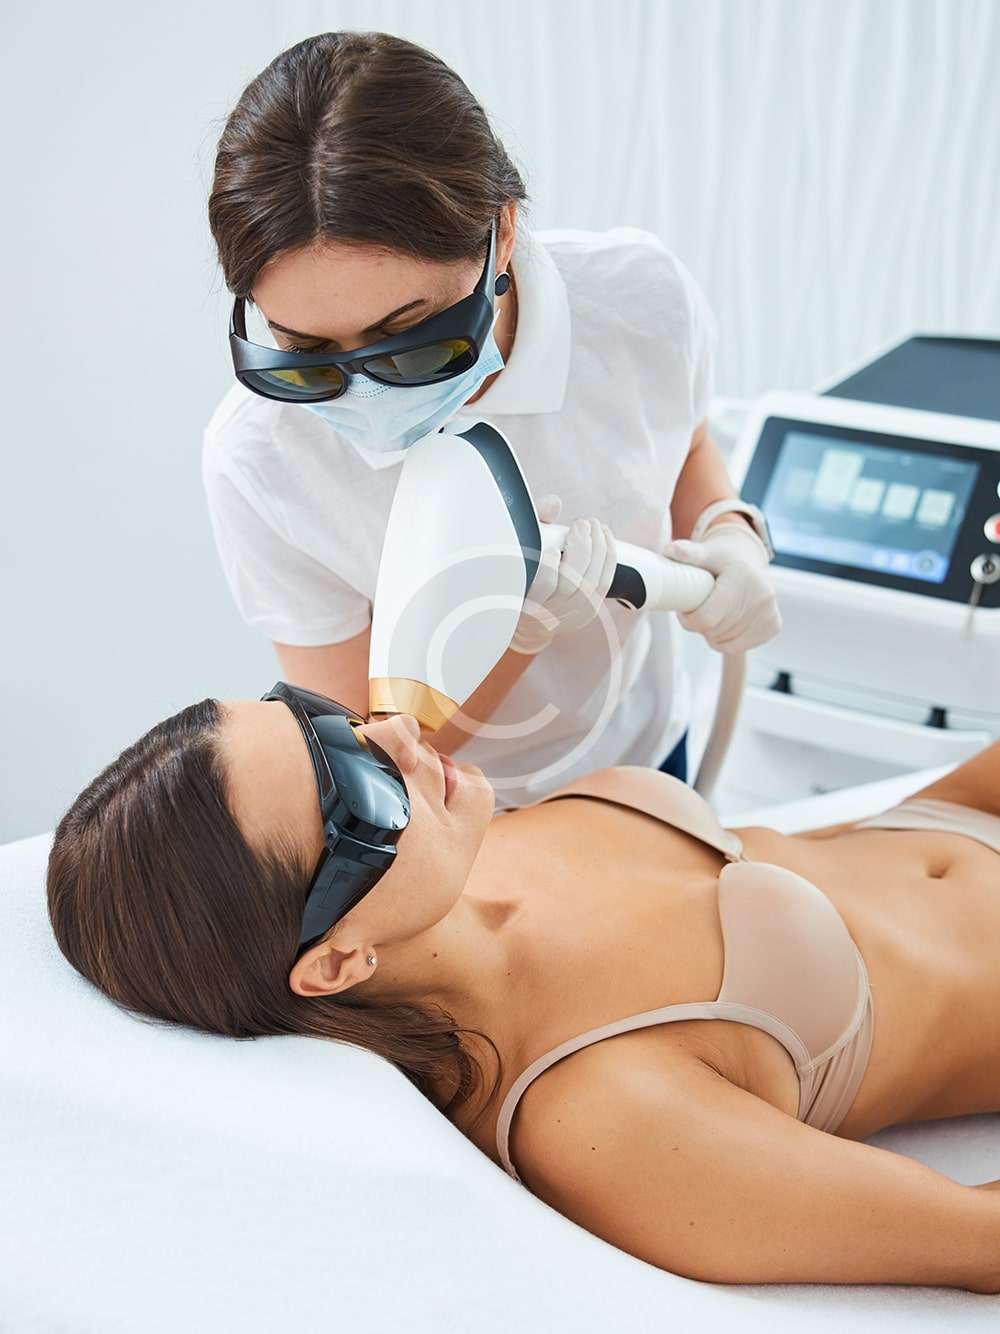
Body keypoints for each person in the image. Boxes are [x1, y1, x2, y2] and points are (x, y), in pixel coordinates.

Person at [48, 685, 1000, 1292]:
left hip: (954, 810)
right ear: (335, 961)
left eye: (325, 720)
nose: (398, 734)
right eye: (359, 793)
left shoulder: (451, 850)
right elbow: (980, 1241)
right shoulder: (601, 1120)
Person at [202, 30, 780, 805]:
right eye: (305, 356)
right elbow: (376, 758)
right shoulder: (263, 458)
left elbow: (685, 437)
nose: (367, 393)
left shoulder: (639, 301)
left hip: (643, 758)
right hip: (462, 815)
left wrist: (728, 530)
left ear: (502, 234)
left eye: (412, 341)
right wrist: (512, 633)